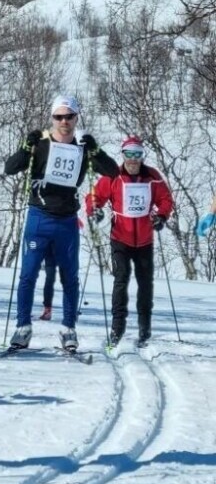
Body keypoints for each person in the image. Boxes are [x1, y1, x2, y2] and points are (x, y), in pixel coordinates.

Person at [4, 94, 119, 352]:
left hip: (66, 221)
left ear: (76, 117)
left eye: (69, 116)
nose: (64, 121)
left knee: (70, 276)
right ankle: (23, 327)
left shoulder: (82, 146)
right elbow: (10, 168)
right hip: (39, 218)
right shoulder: (41, 144)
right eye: (59, 116)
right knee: (28, 274)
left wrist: (97, 150)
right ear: (52, 118)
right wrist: (25, 147)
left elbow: (113, 172)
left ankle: (68, 329)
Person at [86, 135, 174, 345]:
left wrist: (161, 216)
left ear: (142, 156)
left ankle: (145, 327)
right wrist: (94, 209)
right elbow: (94, 196)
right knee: (121, 279)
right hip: (120, 238)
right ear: (123, 155)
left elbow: (166, 199)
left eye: (137, 154)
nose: (133, 159)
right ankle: (117, 327)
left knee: (145, 284)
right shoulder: (113, 176)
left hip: (144, 239)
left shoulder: (152, 176)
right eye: (129, 154)